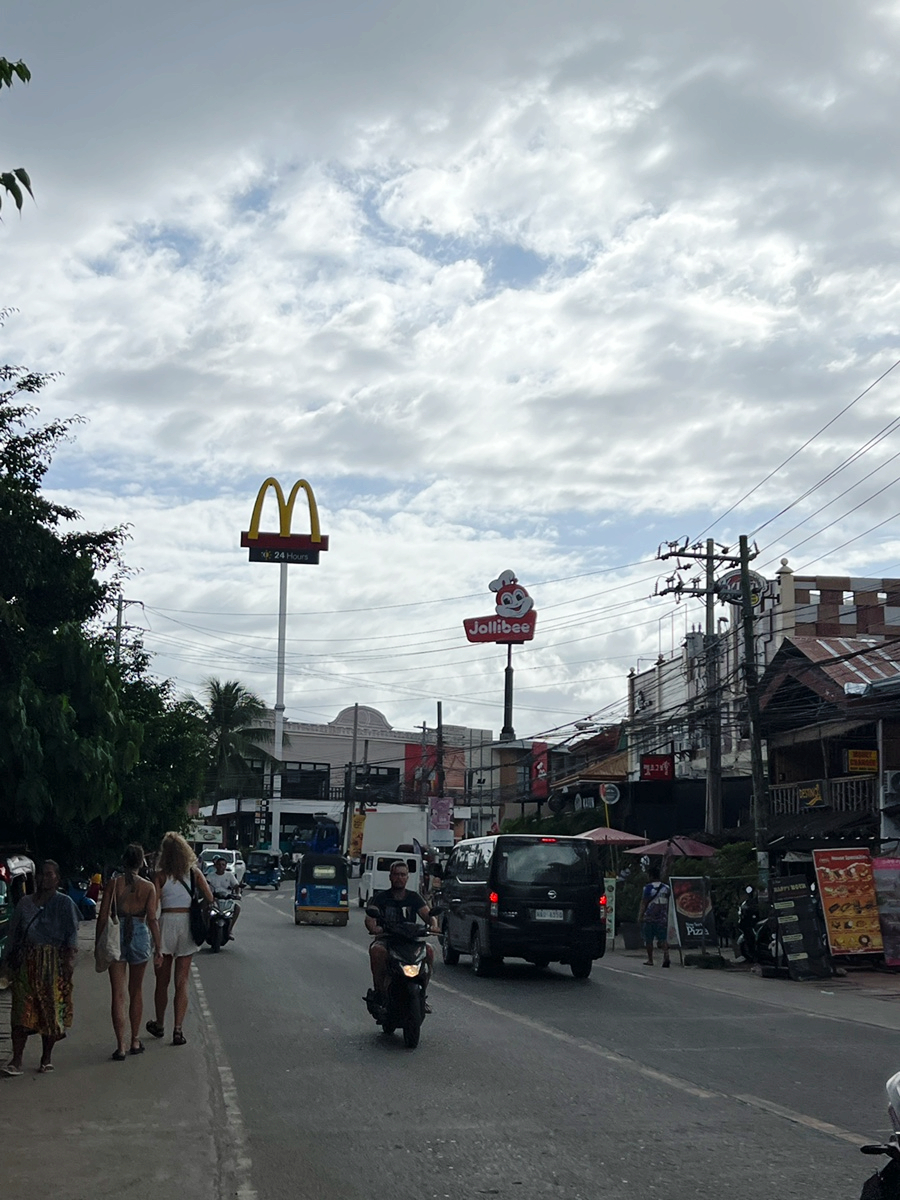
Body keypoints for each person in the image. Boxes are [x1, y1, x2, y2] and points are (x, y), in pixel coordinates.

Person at [0, 859, 80, 1076]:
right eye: (42, 874)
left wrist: (68, 964)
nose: (44, 878)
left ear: (57, 878)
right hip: (26, 963)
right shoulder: (25, 904)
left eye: (49, 874)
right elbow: (14, 934)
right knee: (20, 1012)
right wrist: (7, 963)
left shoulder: (64, 904)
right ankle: (16, 1060)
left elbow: (71, 936)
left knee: (50, 1011)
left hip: (53, 963)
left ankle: (46, 1058)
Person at [95, 844, 162, 1060]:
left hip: (116, 934)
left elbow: (103, 916)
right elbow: (152, 918)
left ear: (124, 861)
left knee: (118, 993)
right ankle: (135, 1039)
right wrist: (158, 948)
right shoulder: (149, 887)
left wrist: (99, 943)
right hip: (140, 934)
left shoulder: (113, 884)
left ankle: (120, 1045)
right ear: (141, 862)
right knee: (137, 991)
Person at [147, 832, 213, 1046]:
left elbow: (153, 906)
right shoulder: (193, 873)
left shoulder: (160, 876)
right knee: (182, 980)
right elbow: (209, 897)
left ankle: (159, 1023)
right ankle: (178, 1029)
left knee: (162, 982)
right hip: (187, 924)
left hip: (167, 922)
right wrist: (196, 906)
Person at [365, 860, 437, 1002]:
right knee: (376, 951)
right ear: (390, 877)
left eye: (403, 875)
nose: (399, 878)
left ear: (407, 877)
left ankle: (422, 994)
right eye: (396, 874)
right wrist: (374, 927)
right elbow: (370, 917)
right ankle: (379, 991)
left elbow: (428, 915)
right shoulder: (381, 897)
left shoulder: (414, 897)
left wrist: (433, 925)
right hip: (387, 939)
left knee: (429, 950)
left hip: (410, 940)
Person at [638, 865, 671, 967]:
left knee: (649, 939)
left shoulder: (648, 888)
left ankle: (650, 959)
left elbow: (644, 903)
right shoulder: (666, 888)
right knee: (663, 938)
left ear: (650, 876)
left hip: (650, 917)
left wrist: (640, 915)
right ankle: (666, 955)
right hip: (663, 917)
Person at [205, 855, 242, 937]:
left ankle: (230, 929)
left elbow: (236, 886)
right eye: (219, 864)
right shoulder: (210, 876)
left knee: (237, 908)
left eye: (223, 865)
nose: (221, 867)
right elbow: (206, 886)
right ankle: (205, 928)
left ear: (225, 866)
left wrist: (237, 894)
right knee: (204, 908)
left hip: (227, 900)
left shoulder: (230, 875)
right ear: (215, 866)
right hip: (214, 899)